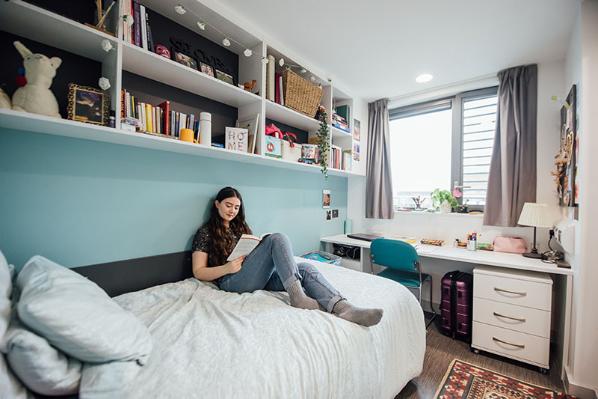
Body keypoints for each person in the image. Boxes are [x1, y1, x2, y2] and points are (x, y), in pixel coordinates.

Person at [191, 186, 383, 327]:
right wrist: (227, 268)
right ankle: (298, 297)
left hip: (252, 275)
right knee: (278, 238)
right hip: (230, 281)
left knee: (306, 269)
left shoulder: (239, 227)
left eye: (236, 207)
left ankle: (344, 308)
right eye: (228, 205)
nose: (232, 210)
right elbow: (198, 272)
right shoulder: (205, 232)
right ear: (217, 204)